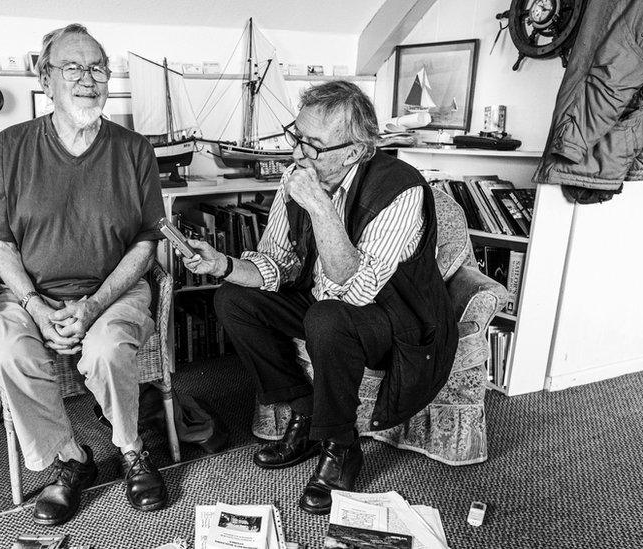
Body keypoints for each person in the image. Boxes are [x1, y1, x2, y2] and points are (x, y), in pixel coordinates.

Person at [181, 81, 458, 515]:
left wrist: (320, 206)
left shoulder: (401, 189)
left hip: (394, 319)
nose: (297, 155)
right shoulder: (299, 178)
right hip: (323, 303)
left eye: (313, 146)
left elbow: (357, 289)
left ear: (354, 151)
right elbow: (278, 262)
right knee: (233, 299)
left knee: (328, 318)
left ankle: (341, 445)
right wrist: (222, 265)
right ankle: (305, 411)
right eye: (298, 138)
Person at [0, 23, 169, 526]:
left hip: (113, 291)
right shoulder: (10, 145)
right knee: (8, 352)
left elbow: (147, 241)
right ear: (46, 77)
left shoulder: (134, 148)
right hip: (30, 293)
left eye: (98, 68)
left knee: (105, 348)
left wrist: (96, 305)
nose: (88, 79)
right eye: (73, 67)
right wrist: (34, 305)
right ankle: (70, 459)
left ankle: (131, 450)